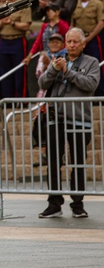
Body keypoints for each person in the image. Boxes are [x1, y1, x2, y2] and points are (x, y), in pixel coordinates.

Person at [37, 28, 101, 219]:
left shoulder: (92, 62)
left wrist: (68, 73)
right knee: (54, 161)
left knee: (78, 163)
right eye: (69, 41)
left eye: (75, 42)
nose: (71, 45)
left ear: (83, 44)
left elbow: (91, 84)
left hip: (80, 119)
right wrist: (54, 69)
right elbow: (42, 83)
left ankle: (78, 204)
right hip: (56, 119)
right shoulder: (58, 60)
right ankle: (54, 203)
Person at [70, 0, 104, 96]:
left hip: (93, 37)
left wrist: (89, 38)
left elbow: (101, 22)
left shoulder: (97, 4)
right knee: (78, 65)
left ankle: (100, 93)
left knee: (97, 64)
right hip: (78, 40)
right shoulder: (75, 5)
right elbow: (72, 23)